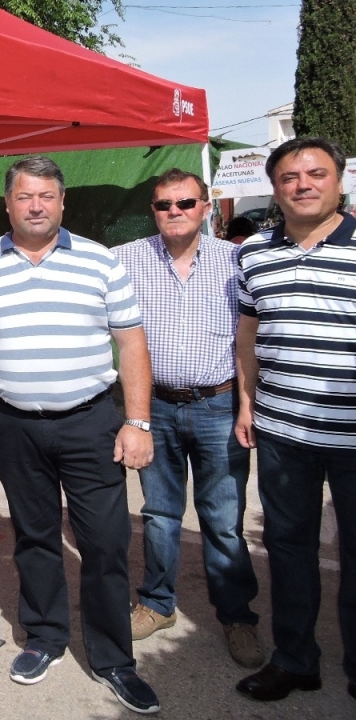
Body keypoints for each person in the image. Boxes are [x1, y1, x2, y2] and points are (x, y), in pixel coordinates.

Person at [0, 156, 160, 714]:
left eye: (46, 196)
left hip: (90, 422)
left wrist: (137, 422)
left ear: (62, 203)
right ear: (8, 203)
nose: (36, 206)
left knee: (104, 542)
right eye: (25, 197)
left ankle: (115, 658)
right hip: (14, 424)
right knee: (35, 538)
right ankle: (45, 638)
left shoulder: (100, 261)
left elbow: (133, 344)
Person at [113, 169, 262, 668]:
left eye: (185, 203)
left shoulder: (237, 260)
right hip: (153, 404)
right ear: (152, 210)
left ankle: (236, 614)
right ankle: (158, 604)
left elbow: (250, 339)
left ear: (204, 207)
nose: (174, 212)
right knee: (159, 514)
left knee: (223, 518)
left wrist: (247, 402)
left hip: (217, 405)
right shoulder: (126, 259)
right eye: (163, 205)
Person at [233, 137, 356, 703]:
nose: (303, 184)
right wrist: (247, 402)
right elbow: (249, 337)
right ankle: (295, 659)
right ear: (275, 187)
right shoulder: (253, 254)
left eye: (315, 173)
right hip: (284, 432)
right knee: (287, 548)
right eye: (289, 177)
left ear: (338, 180)